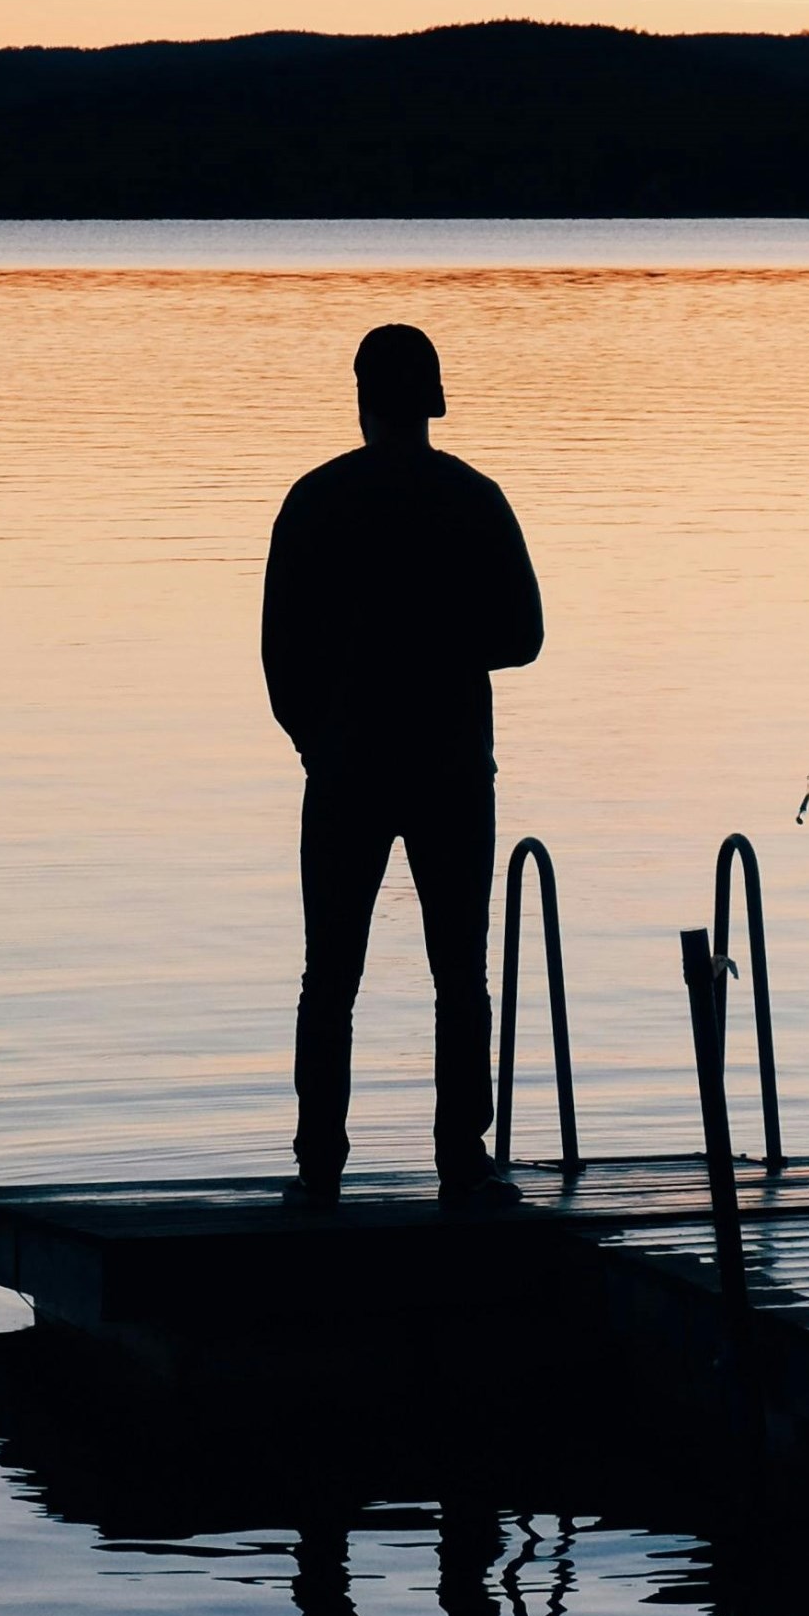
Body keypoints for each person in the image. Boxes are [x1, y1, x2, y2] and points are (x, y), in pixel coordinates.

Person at [262, 325, 543, 1211]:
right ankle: (462, 1157)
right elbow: (525, 637)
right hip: (452, 763)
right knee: (458, 968)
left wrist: (318, 738)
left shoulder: (314, 500)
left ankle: (319, 1164)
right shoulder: (475, 498)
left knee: (329, 973)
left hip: (344, 766)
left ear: (362, 398)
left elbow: (280, 653)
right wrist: (449, 648)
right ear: (433, 400)